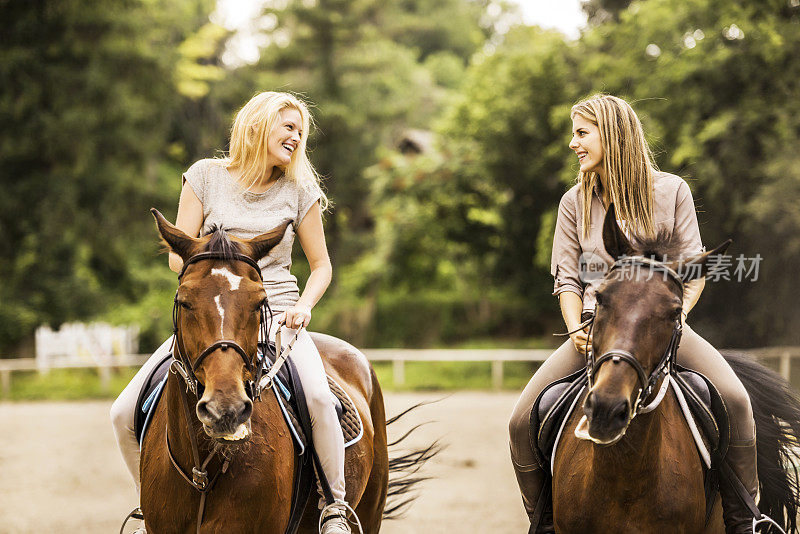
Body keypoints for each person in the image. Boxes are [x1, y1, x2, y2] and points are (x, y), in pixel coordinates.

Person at [508, 94, 758, 534]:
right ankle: (543, 524)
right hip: (595, 330)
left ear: (612, 136)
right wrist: (574, 328)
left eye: (582, 133)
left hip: (662, 329)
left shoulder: (672, 190)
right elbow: (568, 279)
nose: (573, 144)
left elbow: (694, 270)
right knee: (519, 420)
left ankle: (745, 523)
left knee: (736, 401)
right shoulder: (574, 202)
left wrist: (674, 318)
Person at [110, 91, 354, 534]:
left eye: (301, 131)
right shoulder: (204, 176)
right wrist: (208, 263)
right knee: (122, 413)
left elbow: (321, 266)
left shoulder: (299, 190)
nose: (297, 137)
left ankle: (334, 505)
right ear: (258, 125)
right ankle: (152, 502)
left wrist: (303, 307)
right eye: (289, 127)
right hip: (209, 311)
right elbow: (175, 257)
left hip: (274, 311)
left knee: (319, 397)